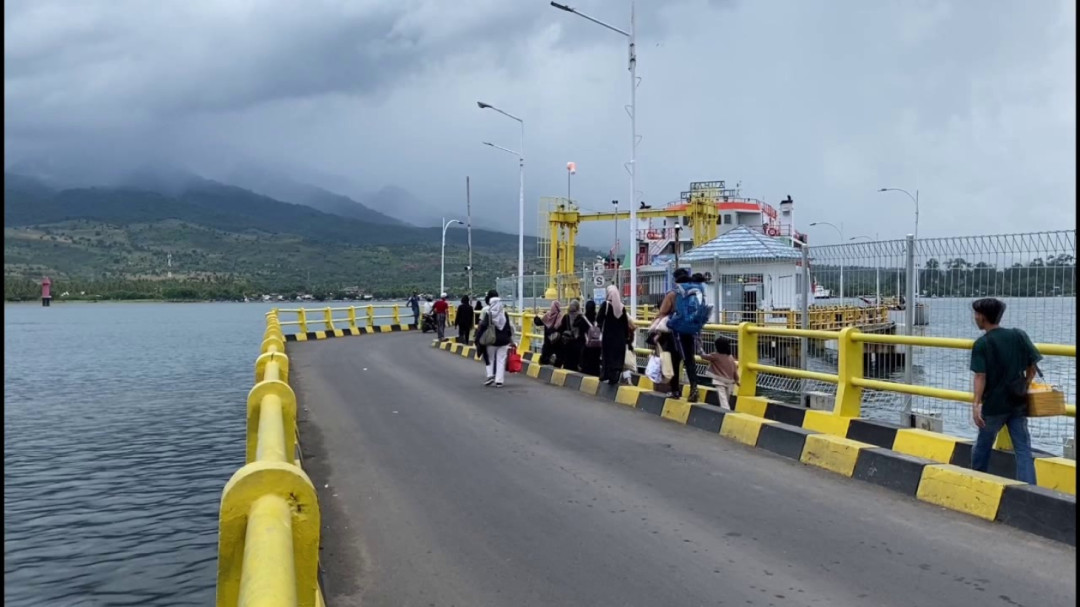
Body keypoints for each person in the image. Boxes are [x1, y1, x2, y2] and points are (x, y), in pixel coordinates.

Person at [970, 297, 1041, 483]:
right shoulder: (1019, 335)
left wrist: (976, 404)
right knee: (1023, 449)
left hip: (994, 405)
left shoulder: (982, 344)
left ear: (983, 317)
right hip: (1017, 402)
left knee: (983, 446)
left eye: (976, 314)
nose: (975, 317)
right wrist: (1024, 385)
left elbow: (980, 376)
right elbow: (1032, 367)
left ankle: (978, 480)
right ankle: (1029, 488)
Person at [657, 268, 703, 401]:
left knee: (675, 361)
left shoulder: (672, 294)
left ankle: (675, 391)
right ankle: (694, 388)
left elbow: (663, 311)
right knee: (690, 361)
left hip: (675, 333)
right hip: (690, 331)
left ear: (675, 280)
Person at [476, 290, 514, 387]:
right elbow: (509, 328)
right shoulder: (504, 314)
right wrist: (511, 339)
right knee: (501, 360)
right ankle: (499, 381)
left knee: (490, 358)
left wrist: (478, 338)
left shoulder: (489, 314)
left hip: (491, 340)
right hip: (504, 341)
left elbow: (483, 326)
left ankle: (490, 376)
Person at [598, 285, 634, 385]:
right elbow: (625, 324)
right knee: (617, 357)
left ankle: (607, 375)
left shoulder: (605, 305)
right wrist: (627, 338)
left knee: (608, 356)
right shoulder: (622, 308)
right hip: (620, 338)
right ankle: (615, 375)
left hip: (608, 338)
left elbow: (599, 319)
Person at [701, 337, 739, 410]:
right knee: (727, 397)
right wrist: (737, 380)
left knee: (722, 397)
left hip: (719, 380)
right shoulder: (731, 357)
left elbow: (704, 356)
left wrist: (700, 350)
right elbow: (734, 370)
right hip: (730, 381)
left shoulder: (715, 356)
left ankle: (726, 410)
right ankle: (726, 408)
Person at [557, 299, 589, 371]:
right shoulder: (581, 317)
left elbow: (561, 329)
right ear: (578, 307)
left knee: (568, 363)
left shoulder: (566, 317)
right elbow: (584, 330)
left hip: (568, 343)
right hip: (578, 343)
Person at [534, 301, 563, 366]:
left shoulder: (547, 315)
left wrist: (536, 318)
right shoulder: (560, 317)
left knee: (545, 355)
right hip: (556, 341)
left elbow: (539, 323)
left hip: (547, 341)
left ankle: (545, 362)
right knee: (558, 358)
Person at [580, 299, 602, 376]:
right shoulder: (597, 319)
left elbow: (580, 332)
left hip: (587, 346)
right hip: (597, 346)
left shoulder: (583, 319)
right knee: (595, 363)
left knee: (586, 365)